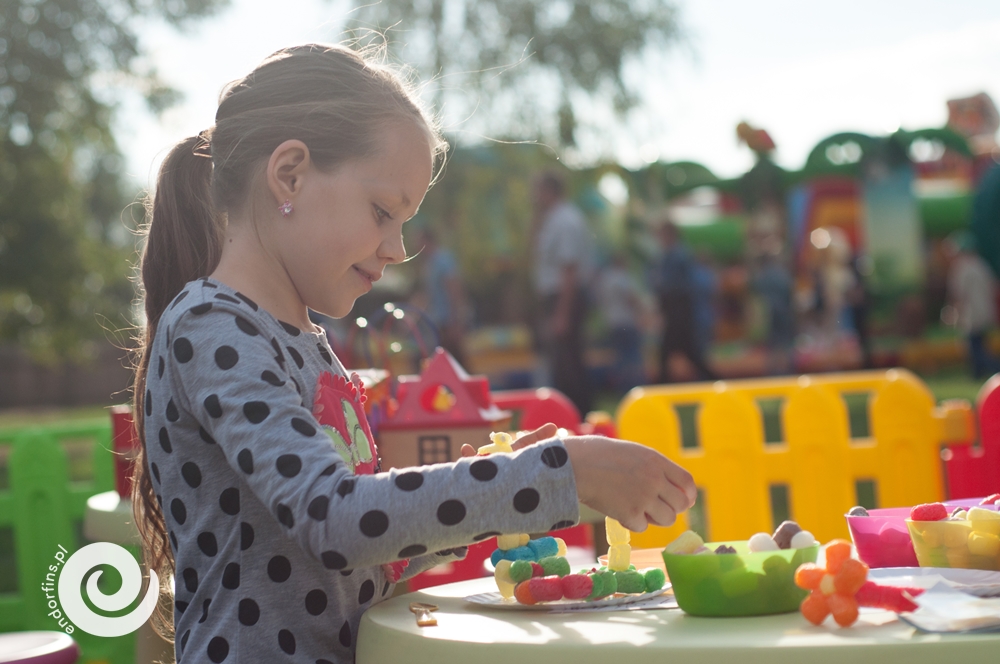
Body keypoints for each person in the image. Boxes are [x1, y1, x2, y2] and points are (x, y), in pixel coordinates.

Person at [131, 44, 696, 664]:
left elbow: (365, 547)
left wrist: (504, 478)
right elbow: (334, 522)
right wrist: (556, 474)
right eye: (382, 212)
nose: (398, 249)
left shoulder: (303, 340)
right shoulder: (214, 326)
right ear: (289, 174)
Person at [531, 171, 596, 415]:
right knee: (561, 362)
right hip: (557, 297)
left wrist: (562, 313)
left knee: (569, 362)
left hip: (564, 298)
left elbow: (569, 269)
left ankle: (578, 411)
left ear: (549, 191)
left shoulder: (566, 220)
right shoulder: (553, 219)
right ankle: (569, 412)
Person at [652, 221, 718, 383]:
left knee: (678, 353)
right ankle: (714, 381)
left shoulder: (677, 256)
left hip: (679, 314)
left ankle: (661, 388)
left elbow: (674, 288)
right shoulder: (677, 255)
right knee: (687, 354)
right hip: (680, 313)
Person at [946, 232, 1000, 379]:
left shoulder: (961, 267)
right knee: (979, 345)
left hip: (972, 313)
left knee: (975, 349)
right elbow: (993, 287)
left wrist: (954, 314)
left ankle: (994, 369)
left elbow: (959, 294)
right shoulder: (982, 264)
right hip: (985, 311)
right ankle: (977, 374)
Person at [412, 227, 468, 366]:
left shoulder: (443, 260)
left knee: (455, 360)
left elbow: (454, 291)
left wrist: (456, 320)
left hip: (447, 320)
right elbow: (427, 295)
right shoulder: (428, 264)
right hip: (436, 321)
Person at [595, 252, 648, 394]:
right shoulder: (622, 277)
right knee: (632, 356)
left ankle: (620, 387)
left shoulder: (605, 279)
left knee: (619, 357)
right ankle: (635, 387)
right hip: (627, 322)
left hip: (612, 322)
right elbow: (631, 298)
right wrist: (642, 312)